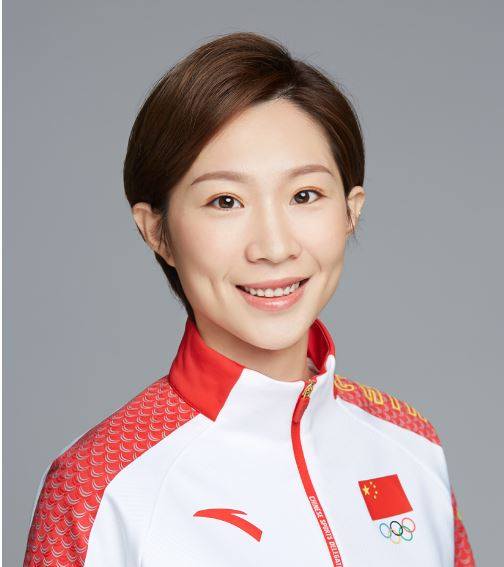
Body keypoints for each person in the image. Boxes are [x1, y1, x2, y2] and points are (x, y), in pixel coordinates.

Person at [23, 32, 475, 566]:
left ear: (351, 211)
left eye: (305, 195)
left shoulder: (412, 446)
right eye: (225, 201)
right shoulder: (96, 486)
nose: (274, 247)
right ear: (156, 231)